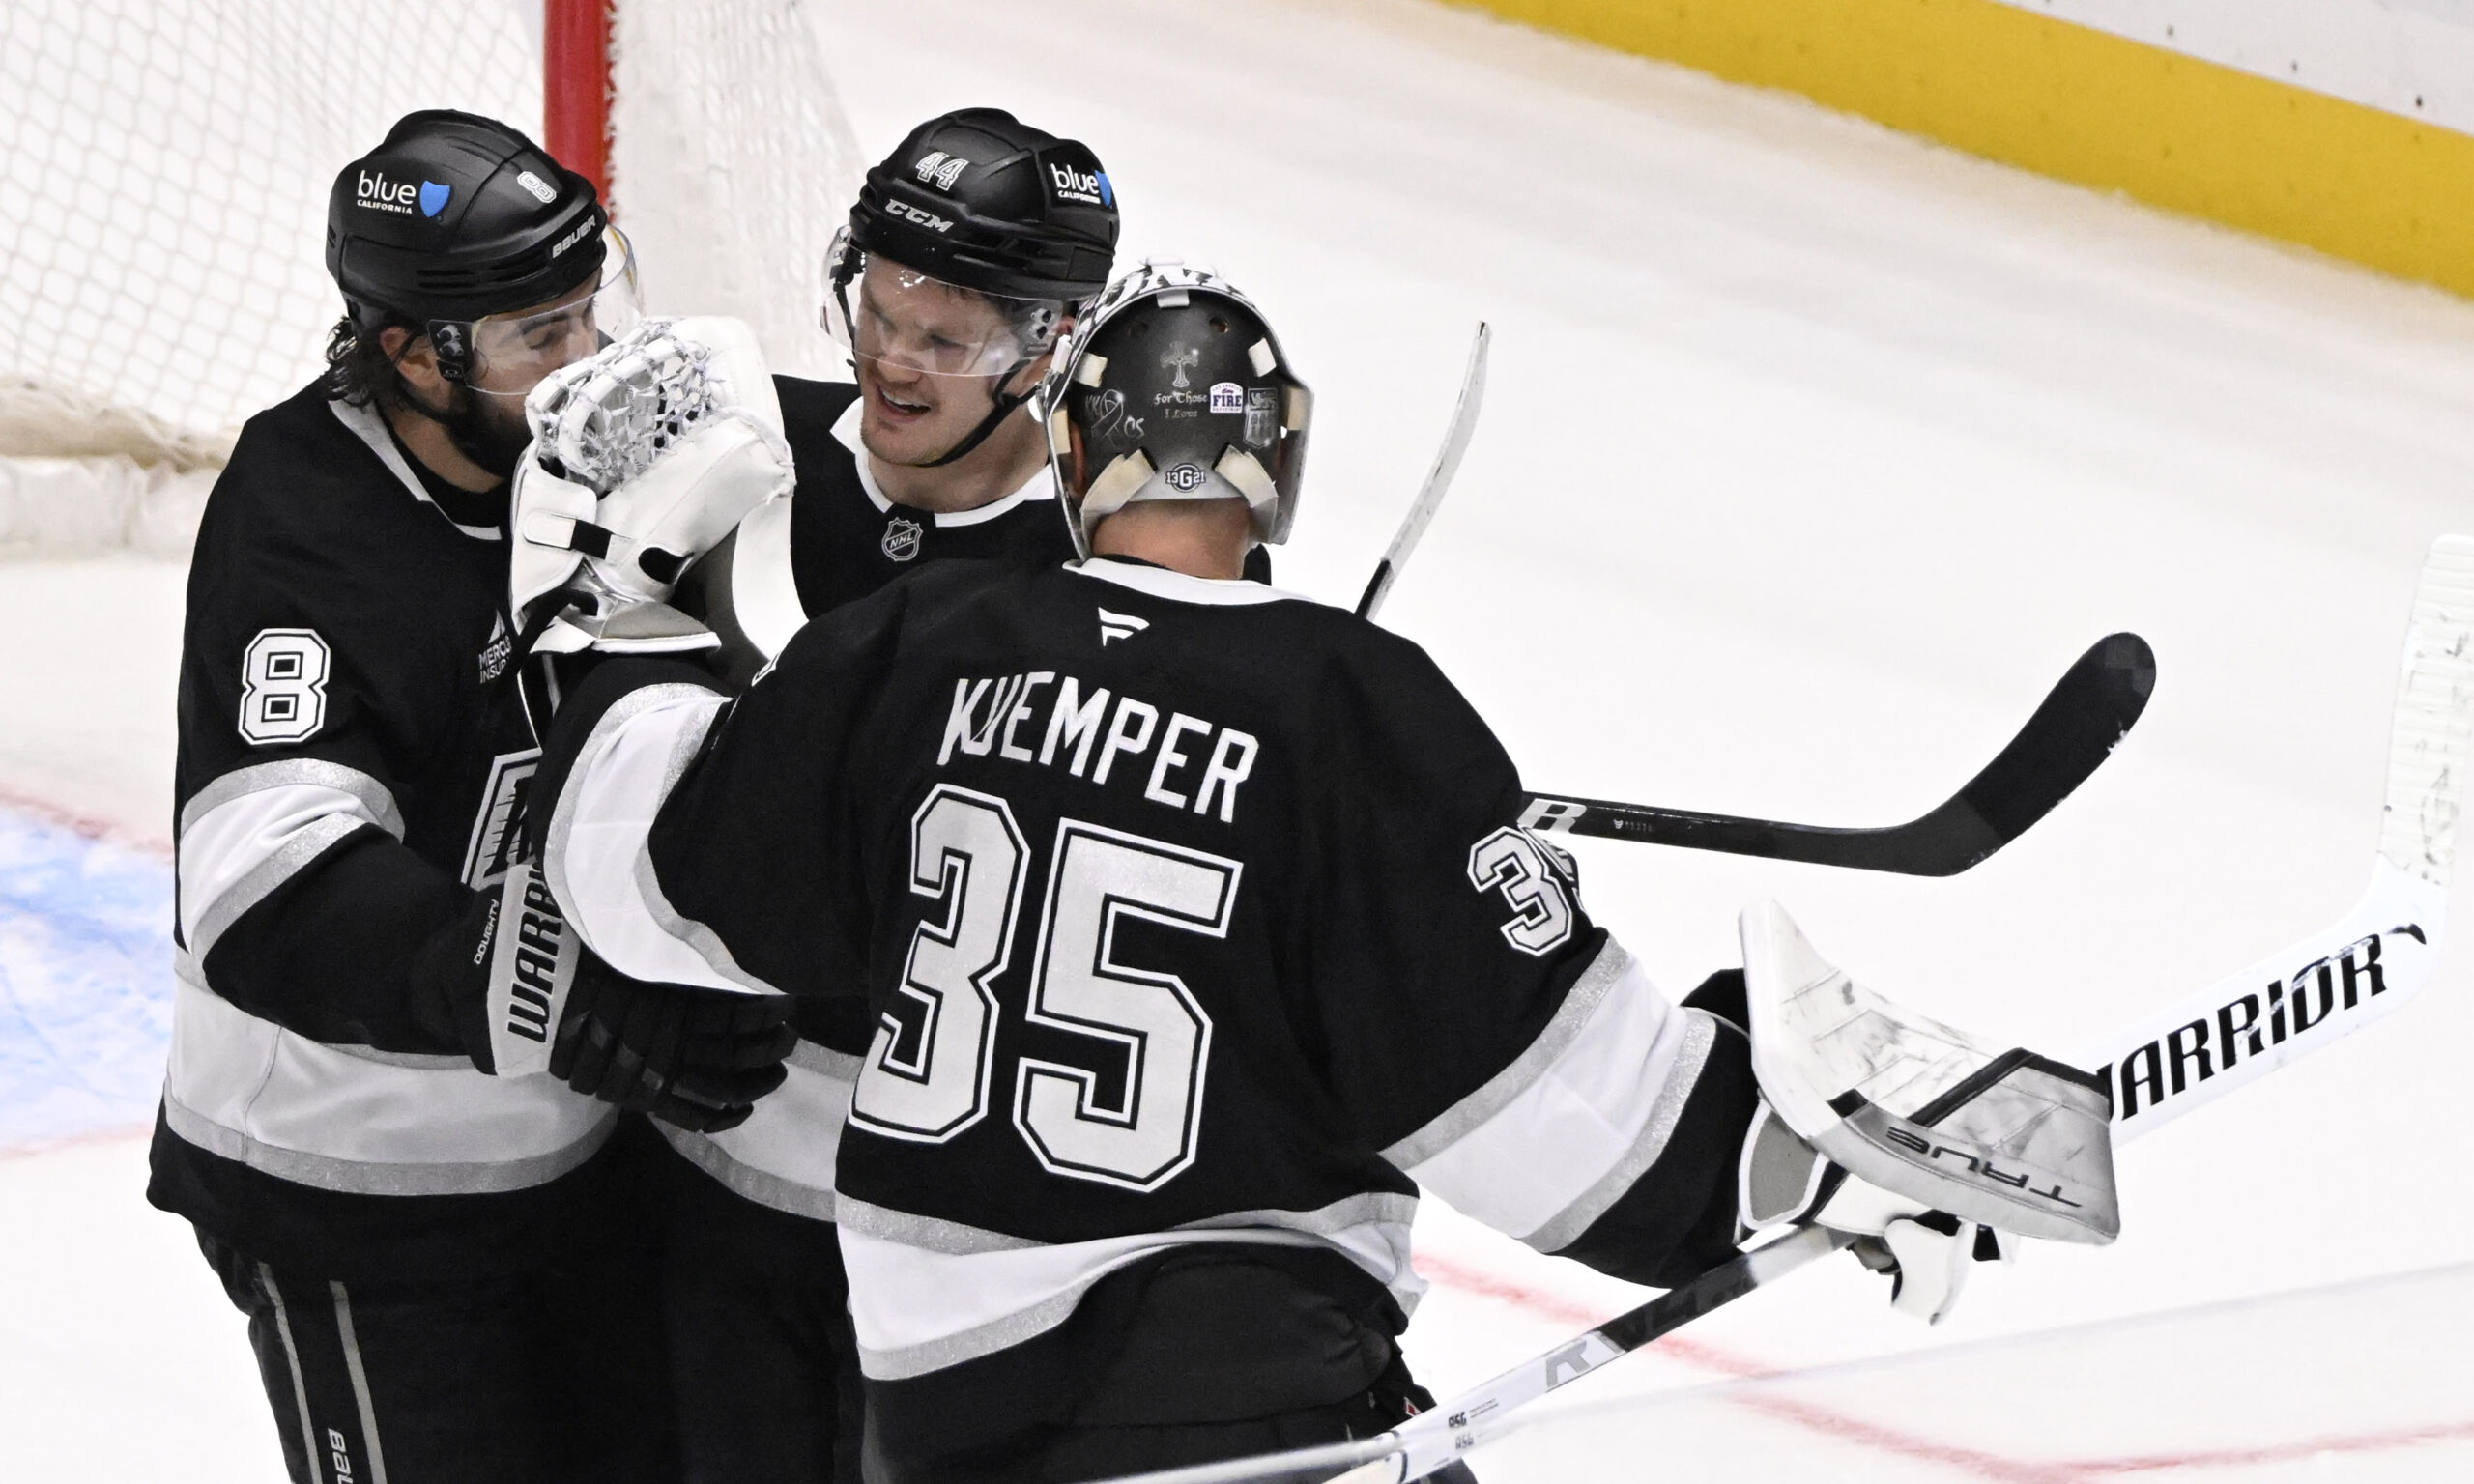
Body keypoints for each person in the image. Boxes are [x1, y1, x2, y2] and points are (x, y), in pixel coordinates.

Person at [525, 264, 2117, 1483]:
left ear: (1073, 450)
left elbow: (640, 884)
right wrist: (1793, 1163)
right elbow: (1569, 1123)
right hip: (1228, 1396)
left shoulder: (910, 652)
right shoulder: (1353, 711)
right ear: (1274, 462)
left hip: (932, 1408)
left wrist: (628, 623)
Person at [148, 109, 684, 1484]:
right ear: (408, 352)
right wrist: (545, 986)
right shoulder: (307, 513)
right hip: (352, 1191)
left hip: (578, 1164)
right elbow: (268, 879)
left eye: (586, 311)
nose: (586, 367)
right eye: (537, 337)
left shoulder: (592, 464)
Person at [641, 107, 1123, 1484]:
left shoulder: (1111, 570)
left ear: (1048, 344)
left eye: (946, 337)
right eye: (879, 307)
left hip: (954, 1236)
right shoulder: (740, 462)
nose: (893, 360)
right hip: (704, 1183)